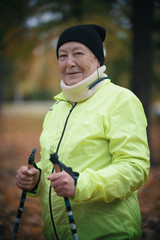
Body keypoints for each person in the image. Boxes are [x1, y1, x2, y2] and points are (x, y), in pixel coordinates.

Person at [16, 24, 150, 240]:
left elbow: (135, 168)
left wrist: (80, 184)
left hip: (109, 234)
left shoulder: (121, 100)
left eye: (78, 53)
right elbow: (55, 166)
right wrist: (36, 178)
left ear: (98, 59)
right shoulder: (57, 107)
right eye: (62, 55)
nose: (70, 63)